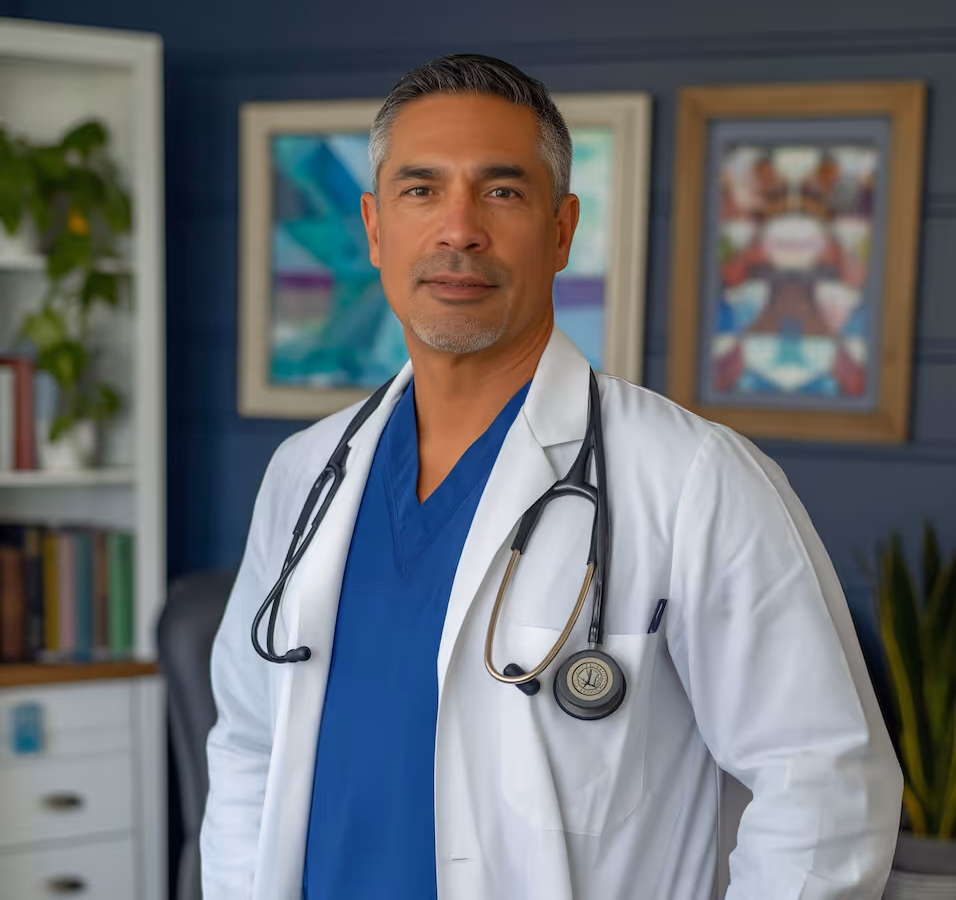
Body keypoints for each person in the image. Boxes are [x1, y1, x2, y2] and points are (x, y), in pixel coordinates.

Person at [200, 55, 902, 900]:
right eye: (421, 190)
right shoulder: (307, 473)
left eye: (501, 192)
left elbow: (823, 787)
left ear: (563, 229)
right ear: (375, 228)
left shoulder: (691, 478)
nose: (459, 229)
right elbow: (248, 746)